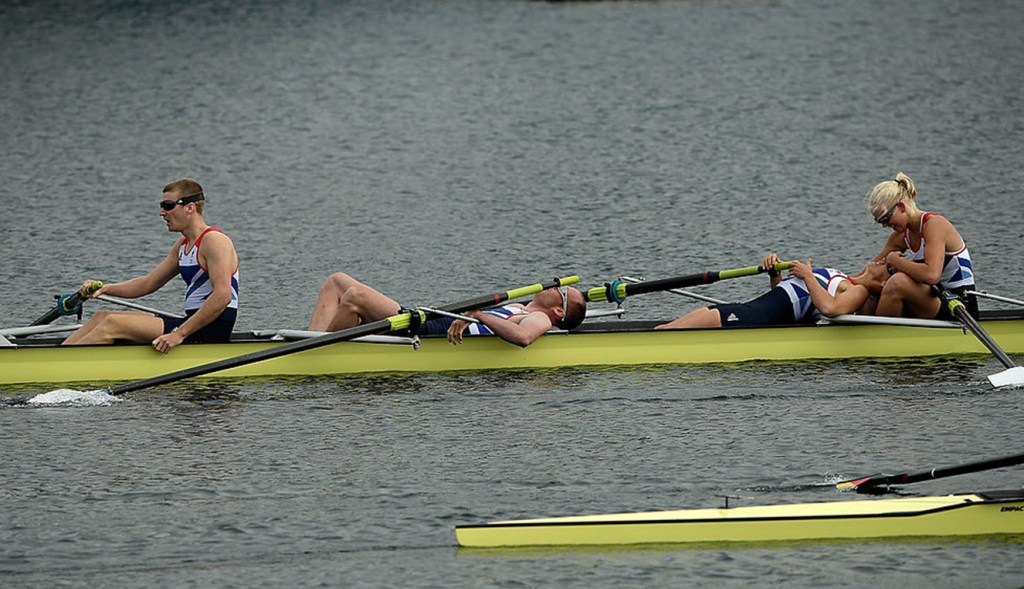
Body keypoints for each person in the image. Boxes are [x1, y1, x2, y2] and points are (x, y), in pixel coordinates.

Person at [63, 179, 239, 353]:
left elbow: (223, 296)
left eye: (168, 205)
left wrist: (179, 334)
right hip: (193, 322)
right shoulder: (183, 245)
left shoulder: (215, 241)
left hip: (212, 327)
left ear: (190, 208)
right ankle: (56, 358)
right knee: (103, 316)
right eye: (161, 206)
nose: (162, 213)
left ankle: (61, 367)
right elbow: (148, 283)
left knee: (113, 324)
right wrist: (105, 289)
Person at [307, 272, 586, 347]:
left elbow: (524, 339)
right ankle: (310, 340)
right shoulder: (520, 306)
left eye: (560, 291)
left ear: (559, 312)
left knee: (356, 296)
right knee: (336, 282)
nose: (553, 286)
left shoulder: (538, 318)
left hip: (431, 330)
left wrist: (477, 315)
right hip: (432, 317)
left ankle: (318, 351)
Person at [655, 253, 888, 329]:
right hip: (775, 305)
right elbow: (793, 297)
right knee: (728, 311)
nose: (883, 260)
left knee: (728, 313)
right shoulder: (844, 277)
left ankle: (662, 335)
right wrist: (775, 275)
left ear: (883, 284)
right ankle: (664, 331)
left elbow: (830, 308)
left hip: (775, 310)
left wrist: (807, 275)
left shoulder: (859, 291)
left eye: (888, 268)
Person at [866, 171, 977, 319]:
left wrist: (895, 261)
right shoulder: (899, 237)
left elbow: (932, 275)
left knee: (897, 282)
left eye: (885, 218)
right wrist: (834, 282)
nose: (884, 225)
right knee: (873, 284)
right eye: (879, 222)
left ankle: (878, 338)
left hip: (960, 306)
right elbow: (870, 272)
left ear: (901, 207)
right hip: (932, 298)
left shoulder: (934, 225)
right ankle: (859, 331)